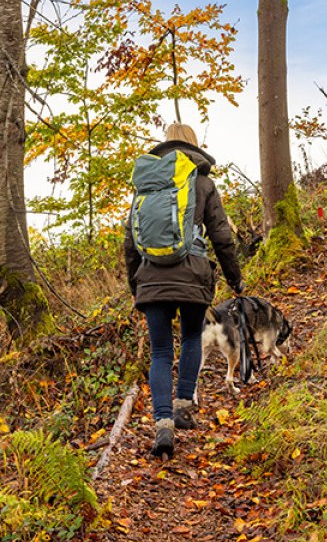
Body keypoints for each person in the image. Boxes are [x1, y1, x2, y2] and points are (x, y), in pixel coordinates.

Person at [124, 123, 244, 458]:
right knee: (192, 337)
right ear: (194, 146)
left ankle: (163, 425)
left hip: (151, 278)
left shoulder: (146, 186)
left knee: (160, 352)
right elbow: (221, 236)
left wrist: (136, 284)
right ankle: (182, 407)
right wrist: (235, 279)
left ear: (165, 145)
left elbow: (130, 241)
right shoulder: (203, 182)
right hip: (192, 274)